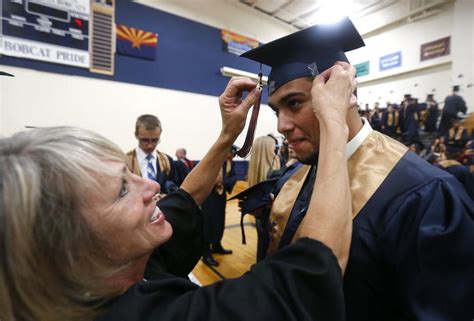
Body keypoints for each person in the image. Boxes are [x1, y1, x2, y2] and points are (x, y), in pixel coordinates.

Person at [0, 74, 354, 321]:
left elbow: (184, 198)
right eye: (123, 189)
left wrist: (228, 133)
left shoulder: (116, 265)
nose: (151, 187)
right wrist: (333, 122)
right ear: (71, 248)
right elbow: (310, 274)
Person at [241, 17, 474, 321]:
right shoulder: (293, 178)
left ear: (344, 92)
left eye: (295, 103)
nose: (282, 125)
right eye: (276, 110)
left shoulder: (425, 194)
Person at [126, 114, 181, 194]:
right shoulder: (125, 161)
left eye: (155, 140)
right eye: (145, 140)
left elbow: (174, 188)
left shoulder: (167, 161)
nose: (150, 145)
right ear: (136, 135)